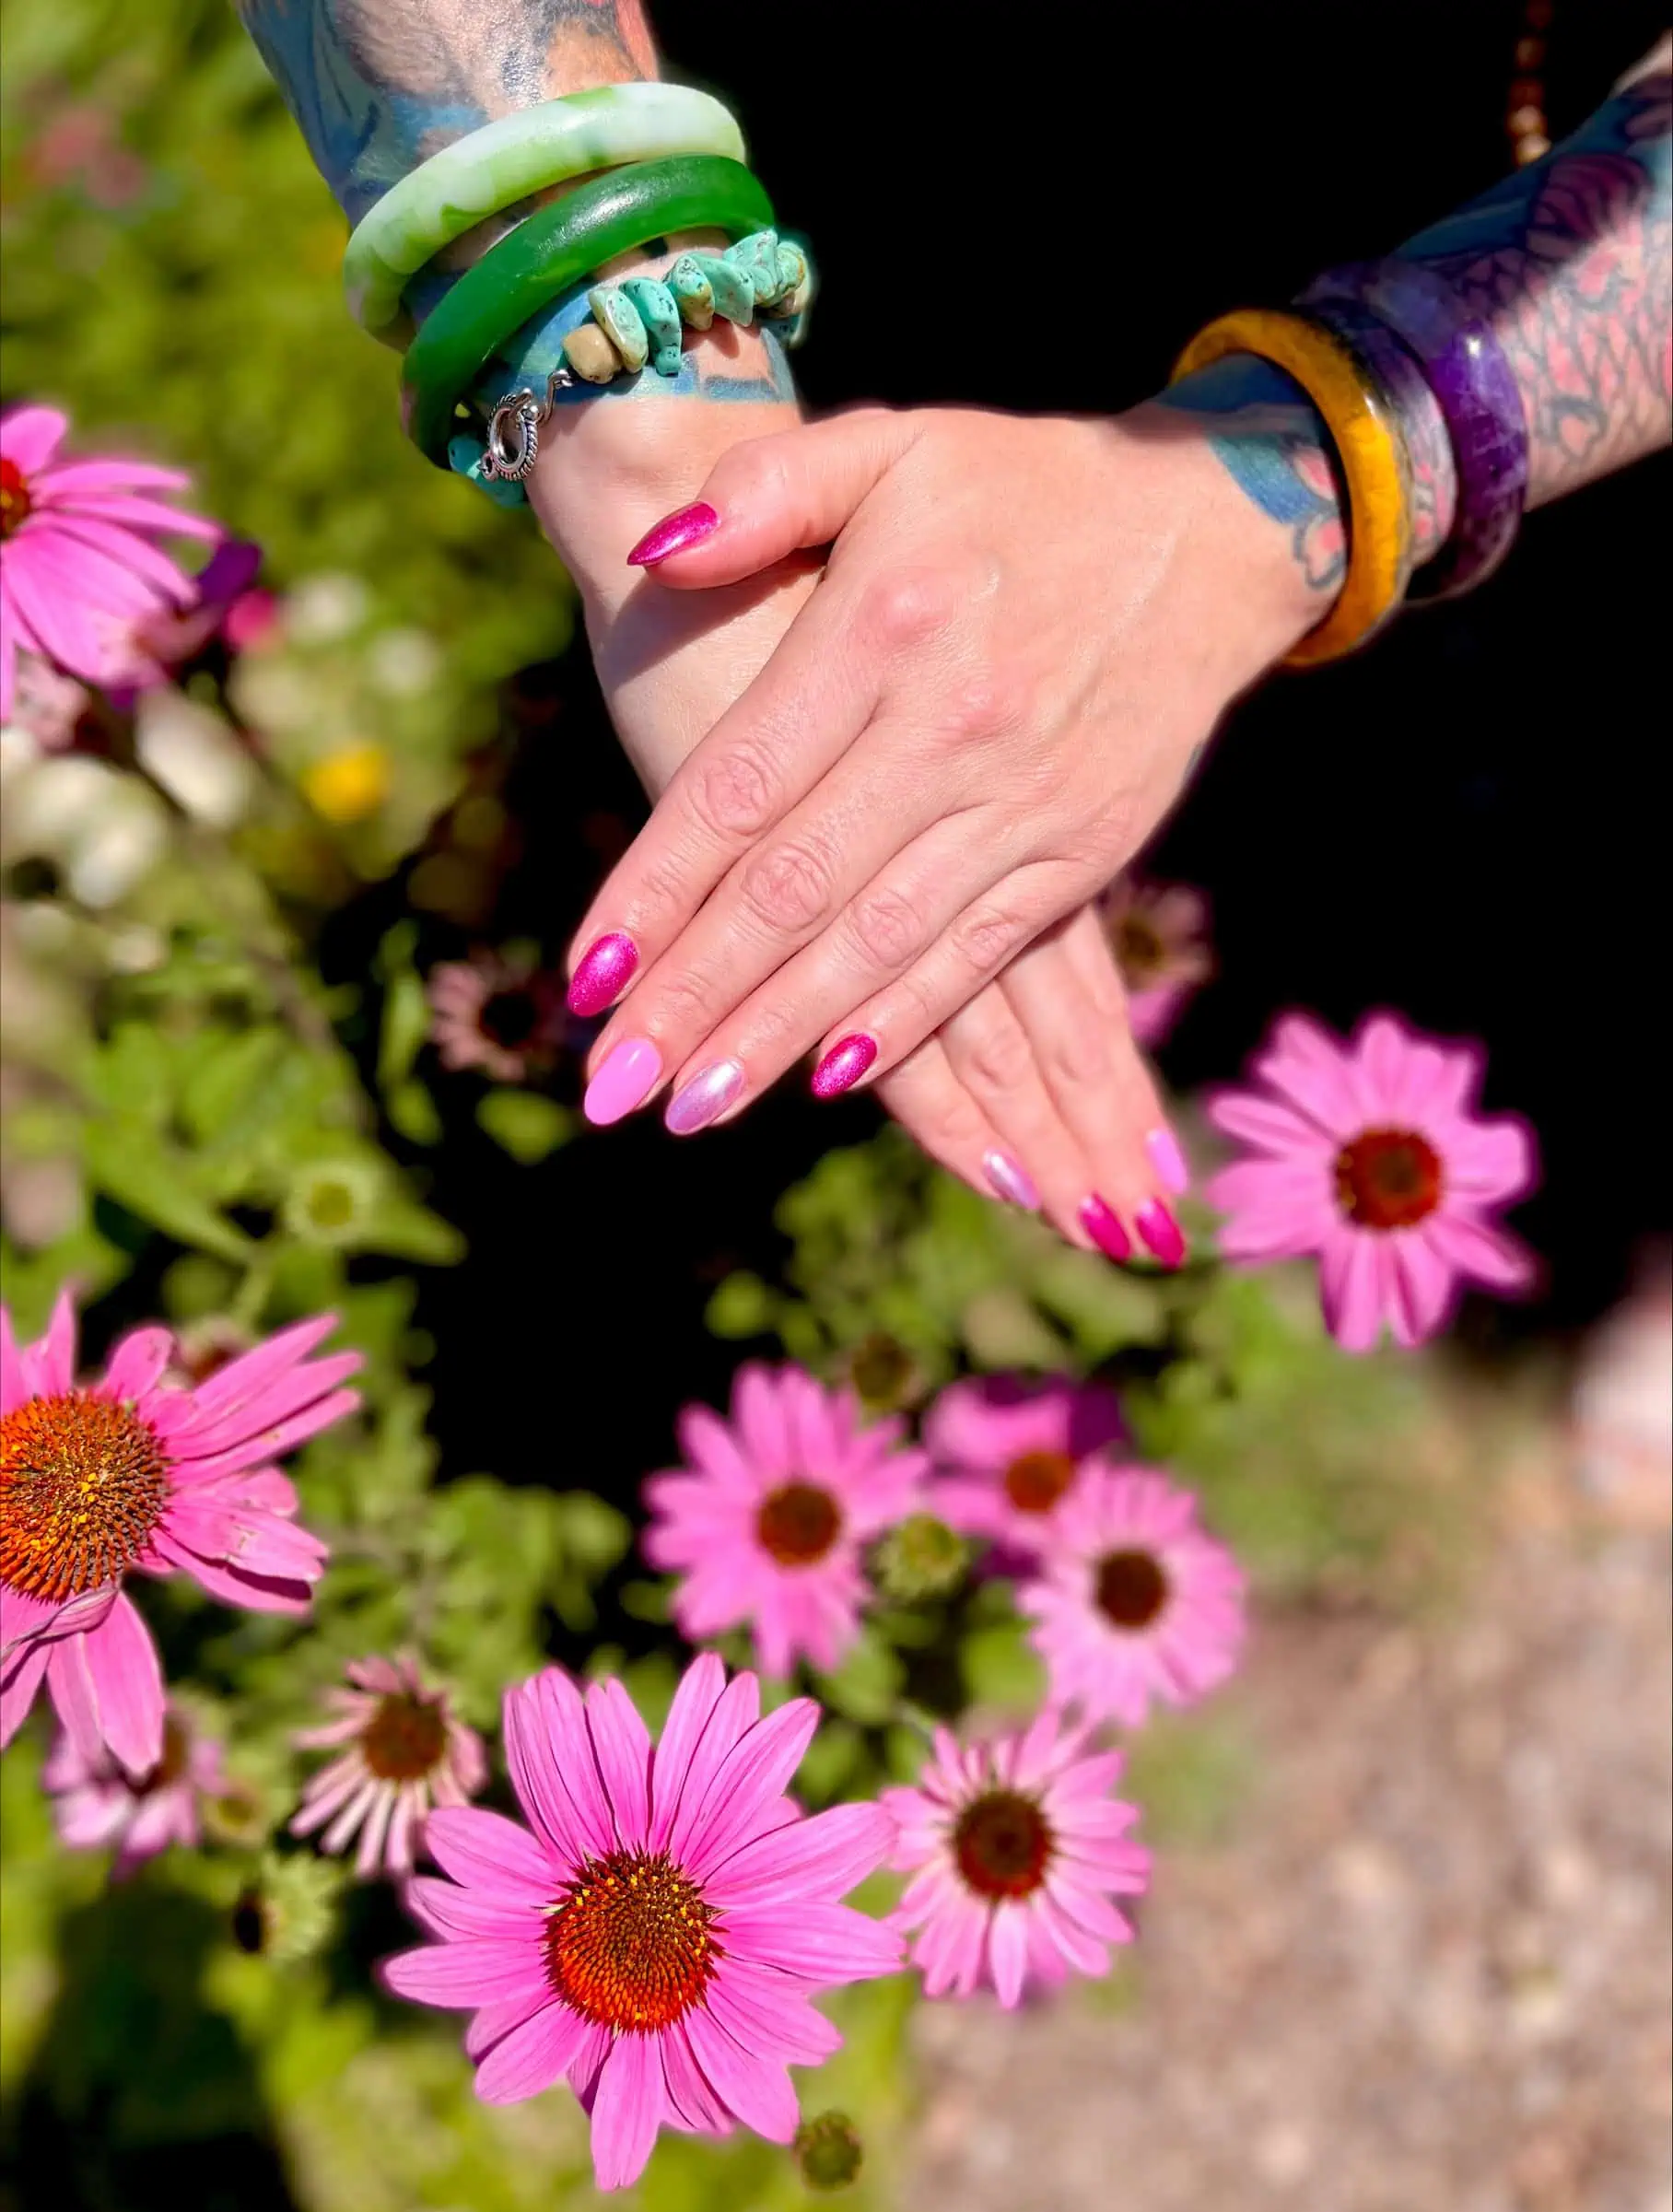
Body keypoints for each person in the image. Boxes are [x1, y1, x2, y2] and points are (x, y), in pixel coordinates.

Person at [238, 3, 1671, 1265]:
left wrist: (1264, 497)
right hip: (820, 145)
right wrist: (658, 424)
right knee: (803, 785)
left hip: (1530, 157)